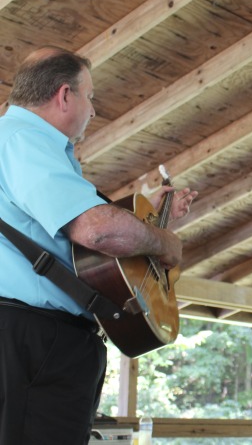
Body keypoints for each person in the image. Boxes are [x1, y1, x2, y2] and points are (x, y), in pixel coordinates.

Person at [0, 46, 198, 445]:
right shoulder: (23, 140)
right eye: (90, 96)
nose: (93, 110)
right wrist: (163, 242)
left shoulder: (19, 144)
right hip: (32, 339)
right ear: (64, 95)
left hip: (31, 338)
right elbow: (97, 232)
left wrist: (143, 214)